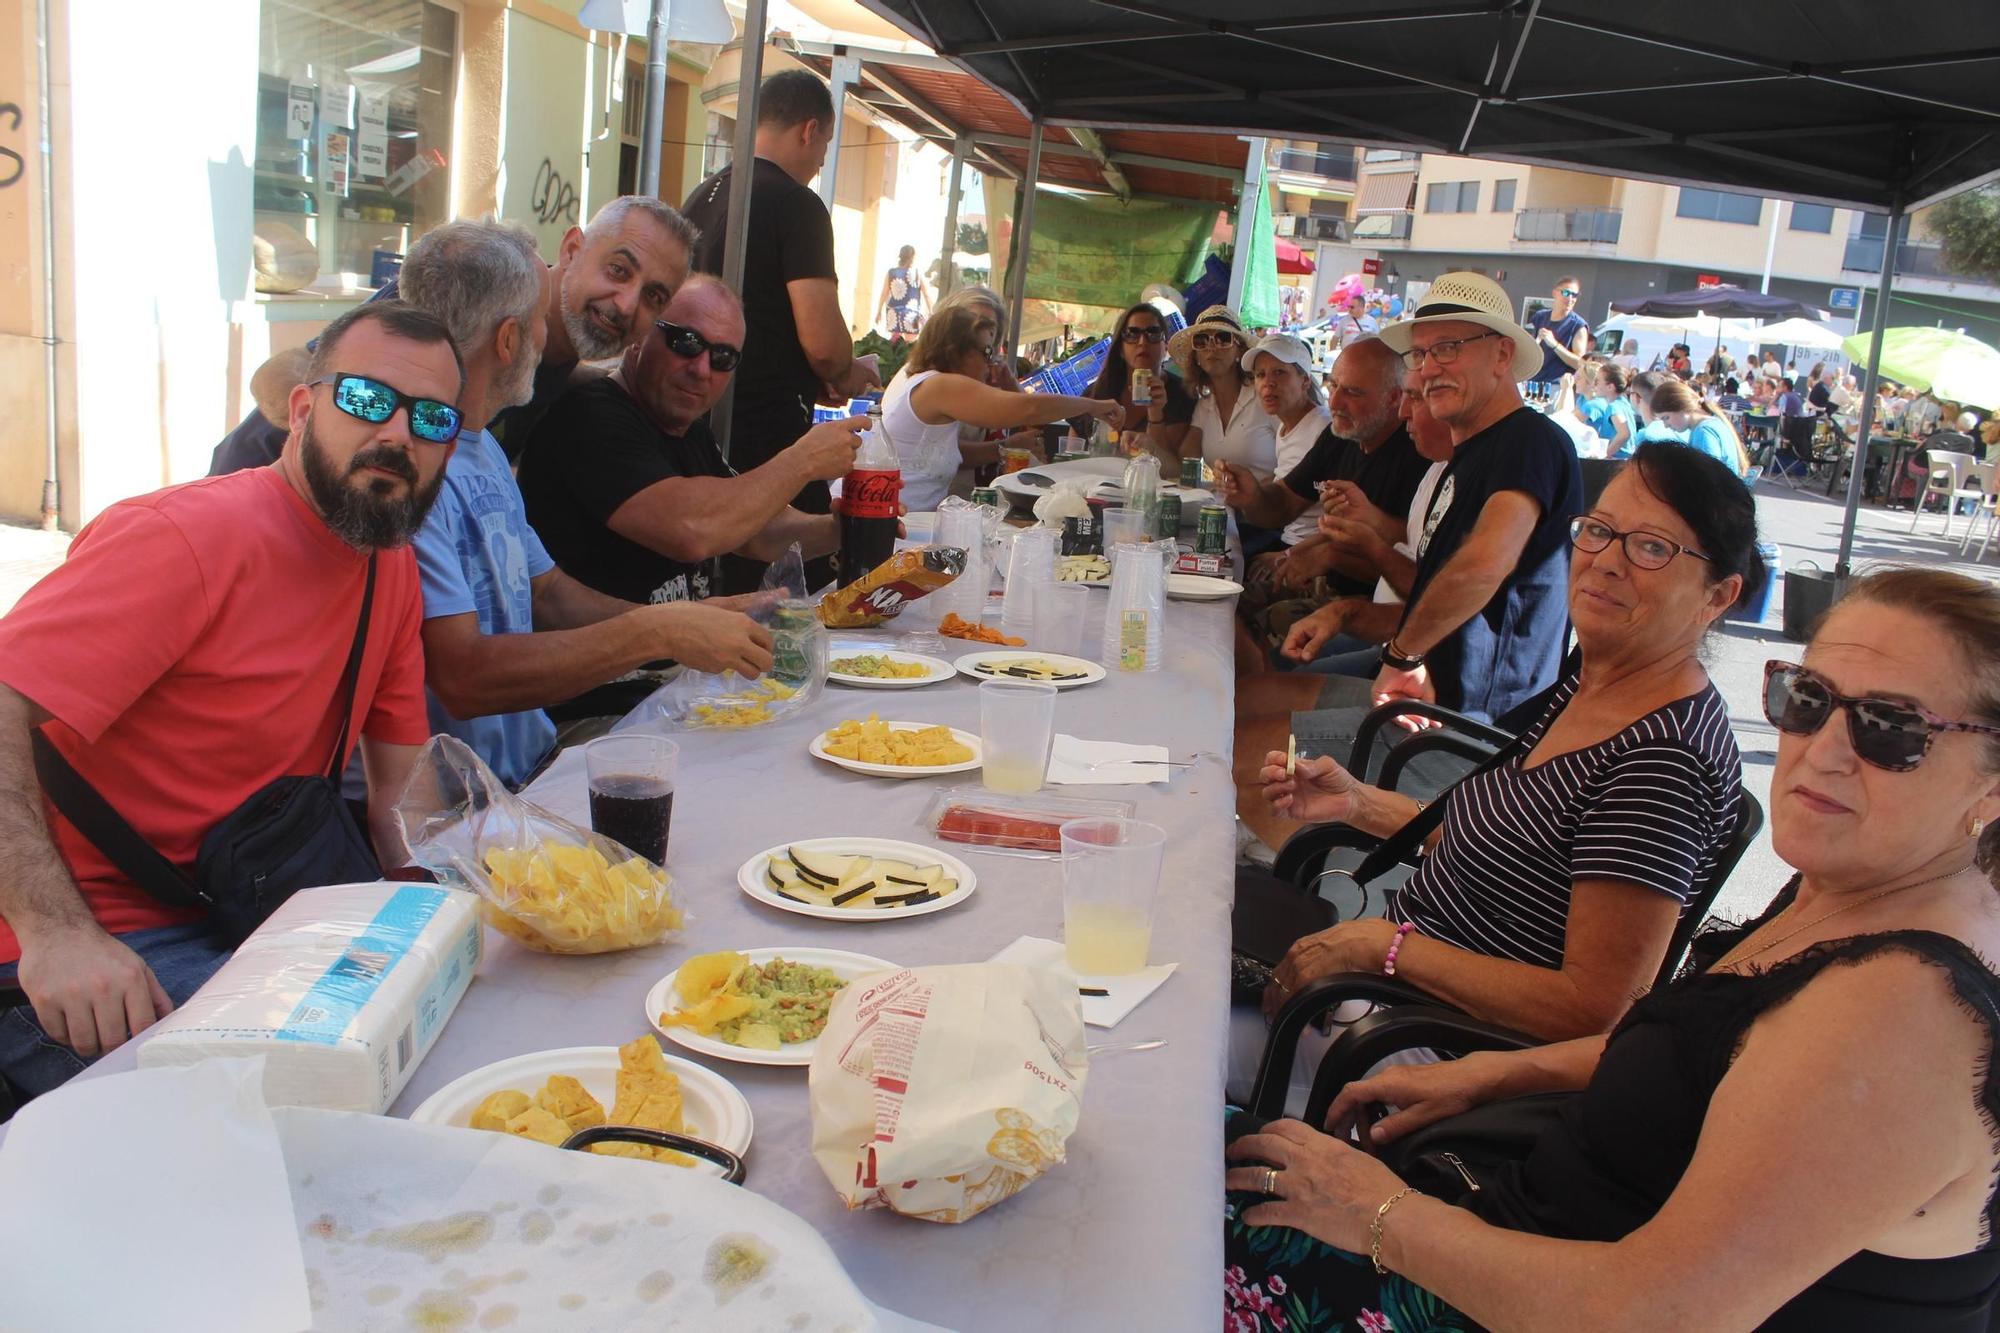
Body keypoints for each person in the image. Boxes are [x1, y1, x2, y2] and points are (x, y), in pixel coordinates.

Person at [1226, 566, 2000, 1332]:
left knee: (1156, 1195)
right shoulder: (1856, 885)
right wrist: (1493, 1073)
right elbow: (1720, 1056)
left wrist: (1374, 1210)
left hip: (1510, 1294)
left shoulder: (1903, 1015)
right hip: (1505, 1227)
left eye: (1891, 729)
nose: (1823, 750)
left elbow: (1656, 1311)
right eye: (1807, 699)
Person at [0, 301, 456, 1098]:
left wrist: (450, 909)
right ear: (304, 408)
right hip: (101, 940)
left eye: (432, 417)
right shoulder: (188, 539)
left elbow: (400, 795)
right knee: (303, 1132)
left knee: (452, 1046)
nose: (396, 433)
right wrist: (56, 934)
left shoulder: (390, 565)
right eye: (365, 400)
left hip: (258, 918)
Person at [1231, 441, 1755, 1109]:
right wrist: (1358, 803)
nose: (1605, 560)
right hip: (1380, 1004)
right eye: (1598, 530)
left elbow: (1593, 1008)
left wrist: (1384, 949)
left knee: (1139, 1048)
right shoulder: (1593, 685)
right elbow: (1505, 849)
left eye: (1650, 547)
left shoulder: (1662, 762)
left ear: (1719, 595)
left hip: (1422, 1059)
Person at [400, 221, 774, 789]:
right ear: (509, 341)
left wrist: (689, 620)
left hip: (534, 767)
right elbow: (464, 677)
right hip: (471, 803)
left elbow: (548, 594)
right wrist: (658, 635)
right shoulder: (416, 469)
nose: (550, 344)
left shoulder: (486, 451)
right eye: (538, 326)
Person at [209, 196, 692, 473]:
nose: (627, 303)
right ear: (571, 249)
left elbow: (555, 375)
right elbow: (279, 375)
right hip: (251, 496)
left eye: (653, 297)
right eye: (618, 269)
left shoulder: (551, 353)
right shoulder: (480, 290)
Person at [518, 278, 866, 620]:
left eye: (723, 357)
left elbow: (754, 531)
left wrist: (841, 528)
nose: (702, 369)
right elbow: (691, 530)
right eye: (686, 342)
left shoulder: (685, 427)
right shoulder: (592, 416)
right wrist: (802, 460)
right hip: (607, 671)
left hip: (673, 665)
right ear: (639, 337)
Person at [681, 69, 882, 593]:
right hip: (769, 432)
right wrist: (850, 370)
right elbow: (822, 343)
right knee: (788, 601)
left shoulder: (706, 192)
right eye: (825, 148)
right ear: (809, 129)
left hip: (699, 423)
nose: (819, 165)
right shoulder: (797, 204)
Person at [1216, 338, 1426, 636]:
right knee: (1222, 603)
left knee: (1247, 631)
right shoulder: (1340, 433)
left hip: (1366, 606)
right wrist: (1252, 496)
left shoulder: (1419, 454)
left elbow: (1418, 571)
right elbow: (1284, 505)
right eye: (1334, 386)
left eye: (1352, 392)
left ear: (1395, 399)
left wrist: (1332, 554)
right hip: (1320, 582)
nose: (1335, 402)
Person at [874, 300, 1117, 512]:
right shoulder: (940, 386)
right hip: (886, 519)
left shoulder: (928, 385)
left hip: (899, 517)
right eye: (987, 352)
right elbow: (1028, 409)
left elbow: (946, 452)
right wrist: (1093, 406)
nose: (991, 363)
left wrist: (1005, 446)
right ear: (958, 351)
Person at [1168, 306, 1279, 484]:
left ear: (1239, 351)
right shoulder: (1205, 404)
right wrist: (1154, 417)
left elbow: (1297, 463)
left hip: (1270, 506)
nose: (1211, 347)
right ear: (1196, 356)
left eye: (1222, 338)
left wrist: (1260, 494)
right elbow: (1184, 462)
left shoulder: (1264, 396)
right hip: (1225, 507)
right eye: (1201, 341)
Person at [1074, 302, 1196, 451]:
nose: (1142, 342)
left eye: (1153, 333)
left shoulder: (1182, 396)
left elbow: (1166, 463)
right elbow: (1072, 453)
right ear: (1120, 348)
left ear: (1165, 347)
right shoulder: (1097, 393)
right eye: (1132, 334)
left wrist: (1155, 412)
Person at [1652, 378, 1753, 478]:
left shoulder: (1704, 432)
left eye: (1666, 418)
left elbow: (1707, 479)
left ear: (1682, 408)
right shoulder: (1713, 422)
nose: (1666, 425)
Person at [1524, 276, 1588, 384]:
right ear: (1554, 293)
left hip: (1556, 386)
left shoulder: (1578, 326)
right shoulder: (1540, 317)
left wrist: (1554, 344)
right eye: (1566, 293)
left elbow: (1580, 364)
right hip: (1531, 382)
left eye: (1575, 295)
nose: (1570, 298)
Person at [1573, 361, 1637, 457]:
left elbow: (1624, 434)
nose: (1594, 385)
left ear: (1610, 387)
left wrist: (1604, 454)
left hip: (1617, 459)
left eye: (1597, 381)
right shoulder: (1624, 403)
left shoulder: (1614, 406)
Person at [876, 244, 928, 338]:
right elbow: (926, 294)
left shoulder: (891, 273)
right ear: (913, 257)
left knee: (895, 345)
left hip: (894, 313)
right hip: (911, 313)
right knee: (910, 344)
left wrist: (879, 312)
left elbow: (884, 294)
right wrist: (931, 311)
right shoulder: (916, 274)